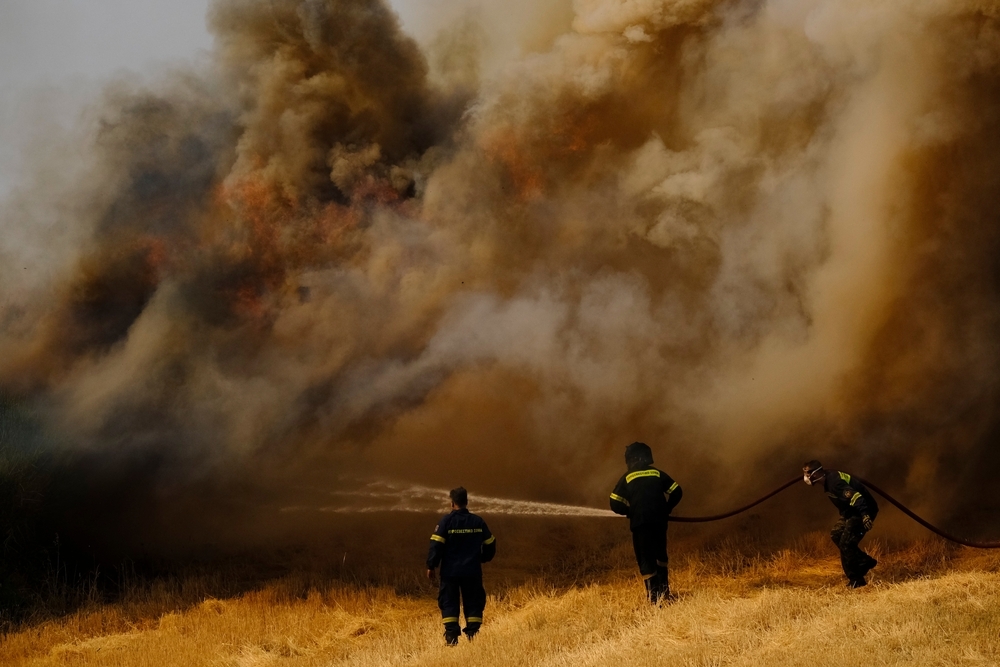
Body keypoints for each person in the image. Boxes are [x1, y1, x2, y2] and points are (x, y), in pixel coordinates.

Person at [609, 442, 682, 603]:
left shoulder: (627, 477)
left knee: (645, 558)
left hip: (641, 524)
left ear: (635, 459)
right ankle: (665, 593)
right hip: (659, 522)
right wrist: (667, 508)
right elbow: (677, 491)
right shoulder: (657, 473)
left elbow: (614, 502)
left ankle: (654, 599)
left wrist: (629, 511)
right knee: (660, 555)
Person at [426, 487, 497, 645]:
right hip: (472, 571)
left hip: (450, 572)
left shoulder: (446, 522)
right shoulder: (477, 521)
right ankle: (473, 635)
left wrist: (431, 565)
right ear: (467, 502)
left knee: (449, 601)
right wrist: (483, 558)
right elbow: (491, 542)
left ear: (452, 503)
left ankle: (451, 636)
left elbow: (436, 545)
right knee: (473, 601)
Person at [803, 460, 879, 588]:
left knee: (846, 543)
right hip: (850, 511)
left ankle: (856, 579)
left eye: (807, 473)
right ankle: (864, 561)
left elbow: (856, 497)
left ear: (815, 474)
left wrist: (865, 515)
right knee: (836, 534)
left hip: (861, 510)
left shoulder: (834, 483)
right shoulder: (828, 479)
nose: (805, 477)